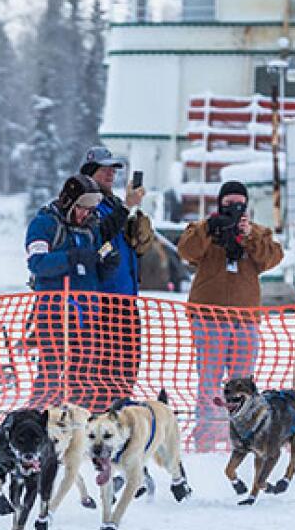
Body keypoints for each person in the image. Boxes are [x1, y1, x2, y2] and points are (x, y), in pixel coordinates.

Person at [176, 180, 284, 450]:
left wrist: (248, 236)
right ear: (219, 204)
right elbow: (186, 251)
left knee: (242, 382)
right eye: (228, 204)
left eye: (239, 204)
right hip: (209, 317)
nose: (234, 209)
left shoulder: (257, 232)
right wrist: (209, 229)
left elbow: (272, 258)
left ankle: (241, 436)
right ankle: (208, 438)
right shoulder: (203, 229)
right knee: (209, 380)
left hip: (245, 319)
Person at [24, 174, 119, 407]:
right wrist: (70, 258)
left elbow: (93, 270)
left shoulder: (91, 229)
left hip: (86, 313)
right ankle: (39, 416)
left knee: (84, 372)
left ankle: (78, 422)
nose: (85, 214)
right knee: (51, 371)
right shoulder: (44, 224)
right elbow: (37, 263)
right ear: (68, 202)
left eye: (90, 209)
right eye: (81, 208)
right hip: (55, 312)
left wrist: (106, 266)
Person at [79, 146, 156, 408]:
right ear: (91, 172)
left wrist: (136, 230)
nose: (111, 174)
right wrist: (126, 207)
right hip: (103, 298)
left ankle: (119, 408)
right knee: (104, 364)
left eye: (113, 170)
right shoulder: (86, 203)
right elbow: (100, 234)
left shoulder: (112, 203)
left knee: (128, 361)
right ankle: (101, 412)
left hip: (125, 294)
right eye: (105, 169)